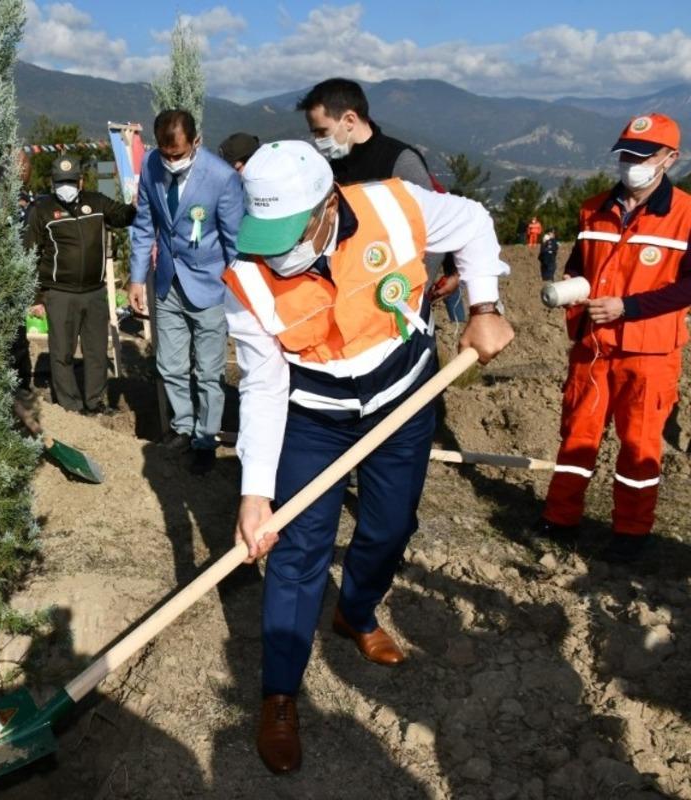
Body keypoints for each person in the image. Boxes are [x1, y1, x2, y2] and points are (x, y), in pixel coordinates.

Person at [227, 141, 513, 773]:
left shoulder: (393, 207)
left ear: (328, 207)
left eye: (287, 234)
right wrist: (255, 493)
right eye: (264, 236)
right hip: (313, 420)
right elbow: (263, 388)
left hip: (405, 401)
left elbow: (472, 221)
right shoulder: (247, 279)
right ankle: (280, 693)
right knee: (296, 551)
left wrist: (485, 307)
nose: (274, 253)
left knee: (389, 527)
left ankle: (355, 612)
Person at [539, 114, 691, 563]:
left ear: (669, 159)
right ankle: (559, 520)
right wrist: (571, 287)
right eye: (626, 154)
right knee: (576, 436)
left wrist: (629, 307)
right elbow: (579, 263)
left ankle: (630, 533)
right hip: (593, 346)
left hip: (649, 352)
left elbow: (687, 286)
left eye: (643, 156)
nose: (631, 163)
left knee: (639, 445)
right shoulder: (593, 209)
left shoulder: (685, 215)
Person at [128, 109, 244, 474]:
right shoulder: (150, 165)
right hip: (168, 282)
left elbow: (234, 241)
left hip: (210, 285)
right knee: (170, 364)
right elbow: (144, 225)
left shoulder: (222, 178)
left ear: (197, 141)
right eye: (165, 154)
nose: (171, 161)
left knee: (208, 371)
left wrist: (239, 291)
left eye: (178, 154)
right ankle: (182, 426)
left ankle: (206, 438)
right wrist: (136, 278)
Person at [298, 78, 463, 322]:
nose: (318, 140)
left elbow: (431, 229)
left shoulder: (399, 162)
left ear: (349, 120)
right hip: (355, 302)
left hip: (400, 301)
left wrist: (413, 293)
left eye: (322, 132)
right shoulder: (333, 169)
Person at [24, 157, 136, 413]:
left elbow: (121, 216)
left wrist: (134, 207)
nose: (66, 186)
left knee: (96, 351)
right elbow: (30, 254)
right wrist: (36, 297)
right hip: (59, 293)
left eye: (71, 181)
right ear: (52, 183)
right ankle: (70, 406)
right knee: (62, 353)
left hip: (94, 292)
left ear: (81, 181)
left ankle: (95, 402)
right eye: (60, 182)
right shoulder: (42, 210)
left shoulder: (97, 202)